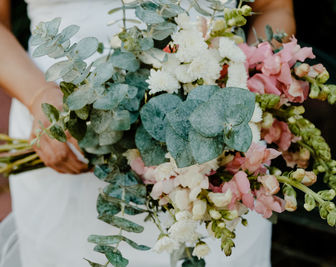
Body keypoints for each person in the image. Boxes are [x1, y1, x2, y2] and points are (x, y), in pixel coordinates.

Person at [0, 0, 295, 266]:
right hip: (64, 144)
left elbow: (273, 7)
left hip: (217, 159)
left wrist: (256, 83)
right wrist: (38, 95)